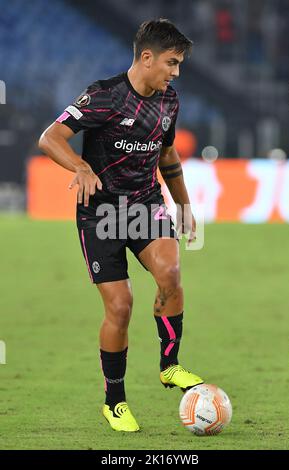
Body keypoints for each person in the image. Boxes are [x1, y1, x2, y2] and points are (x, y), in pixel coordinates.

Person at [39, 18, 203, 433]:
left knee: (171, 273)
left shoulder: (169, 101)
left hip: (146, 204)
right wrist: (80, 166)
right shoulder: (104, 96)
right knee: (121, 306)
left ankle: (170, 365)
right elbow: (50, 138)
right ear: (146, 58)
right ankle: (115, 401)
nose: (175, 72)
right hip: (100, 212)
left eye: (179, 64)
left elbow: (167, 157)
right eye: (171, 63)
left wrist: (183, 206)